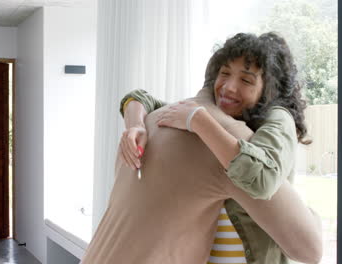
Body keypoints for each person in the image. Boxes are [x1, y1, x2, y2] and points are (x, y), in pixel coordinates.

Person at [117, 32, 318, 263]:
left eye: (246, 80)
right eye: (224, 74)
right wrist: (136, 126)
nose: (229, 87)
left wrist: (199, 121)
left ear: (268, 88)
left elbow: (262, 179)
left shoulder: (278, 119)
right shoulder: (220, 112)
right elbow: (140, 98)